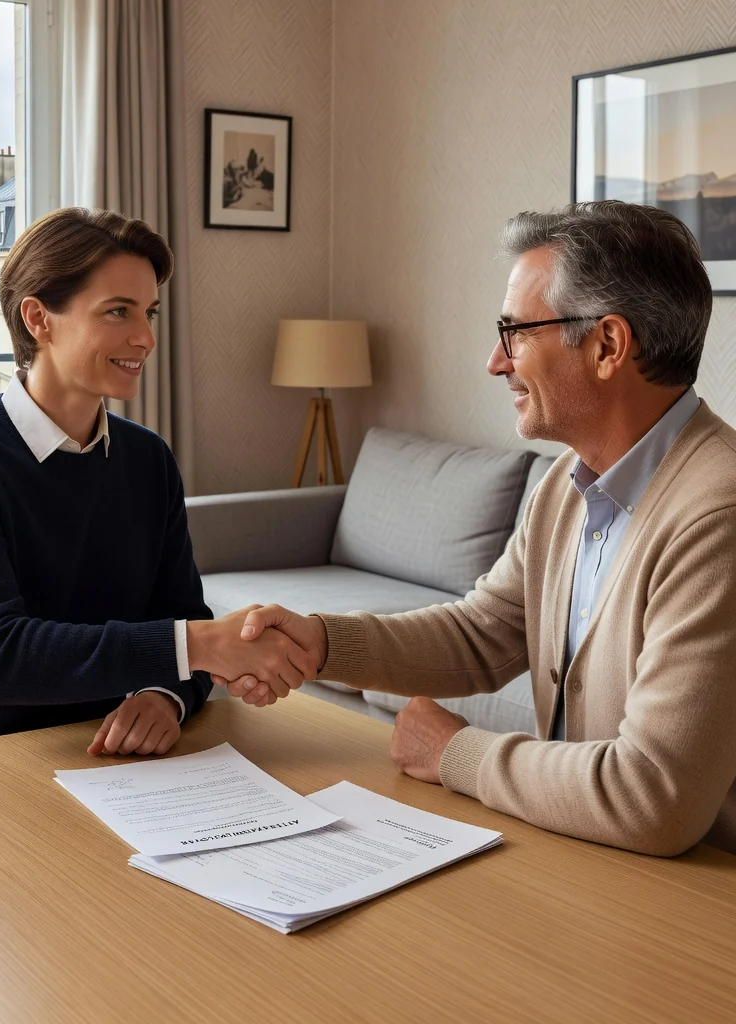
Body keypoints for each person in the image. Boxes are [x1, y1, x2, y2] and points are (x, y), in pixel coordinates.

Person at [216, 201, 736, 858]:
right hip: (593, 862)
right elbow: (481, 635)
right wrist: (320, 643)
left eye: (516, 332)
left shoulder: (718, 515)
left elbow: (654, 795)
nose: (496, 361)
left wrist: (456, 753)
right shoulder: (568, 484)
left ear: (607, 345)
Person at [0, 207, 314, 756]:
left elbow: (186, 621)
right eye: (118, 312)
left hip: (107, 757)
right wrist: (198, 646)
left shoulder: (148, 460)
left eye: (149, 313)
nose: (145, 338)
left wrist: (165, 695)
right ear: (38, 319)